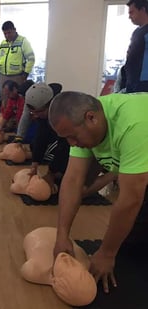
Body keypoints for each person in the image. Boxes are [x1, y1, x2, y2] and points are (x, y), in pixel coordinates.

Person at [49, 91, 148, 293]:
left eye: (72, 137)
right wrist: (62, 235)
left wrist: (107, 253)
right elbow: (73, 180)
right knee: (131, 248)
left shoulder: (134, 124)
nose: (72, 144)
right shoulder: (84, 122)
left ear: (91, 118)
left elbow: (130, 199)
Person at [0, 21, 35, 88]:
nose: (7, 35)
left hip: (17, 77)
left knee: (16, 97)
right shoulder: (2, 44)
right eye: (5, 33)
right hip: (3, 76)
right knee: (4, 97)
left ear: (14, 29)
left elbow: (31, 59)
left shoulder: (23, 41)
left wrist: (26, 73)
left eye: (9, 32)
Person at [125, 0, 148, 92]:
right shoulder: (137, 32)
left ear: (142, 10)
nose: (129, 16)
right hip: (133, 82)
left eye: (131, 12)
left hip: (144, 82)